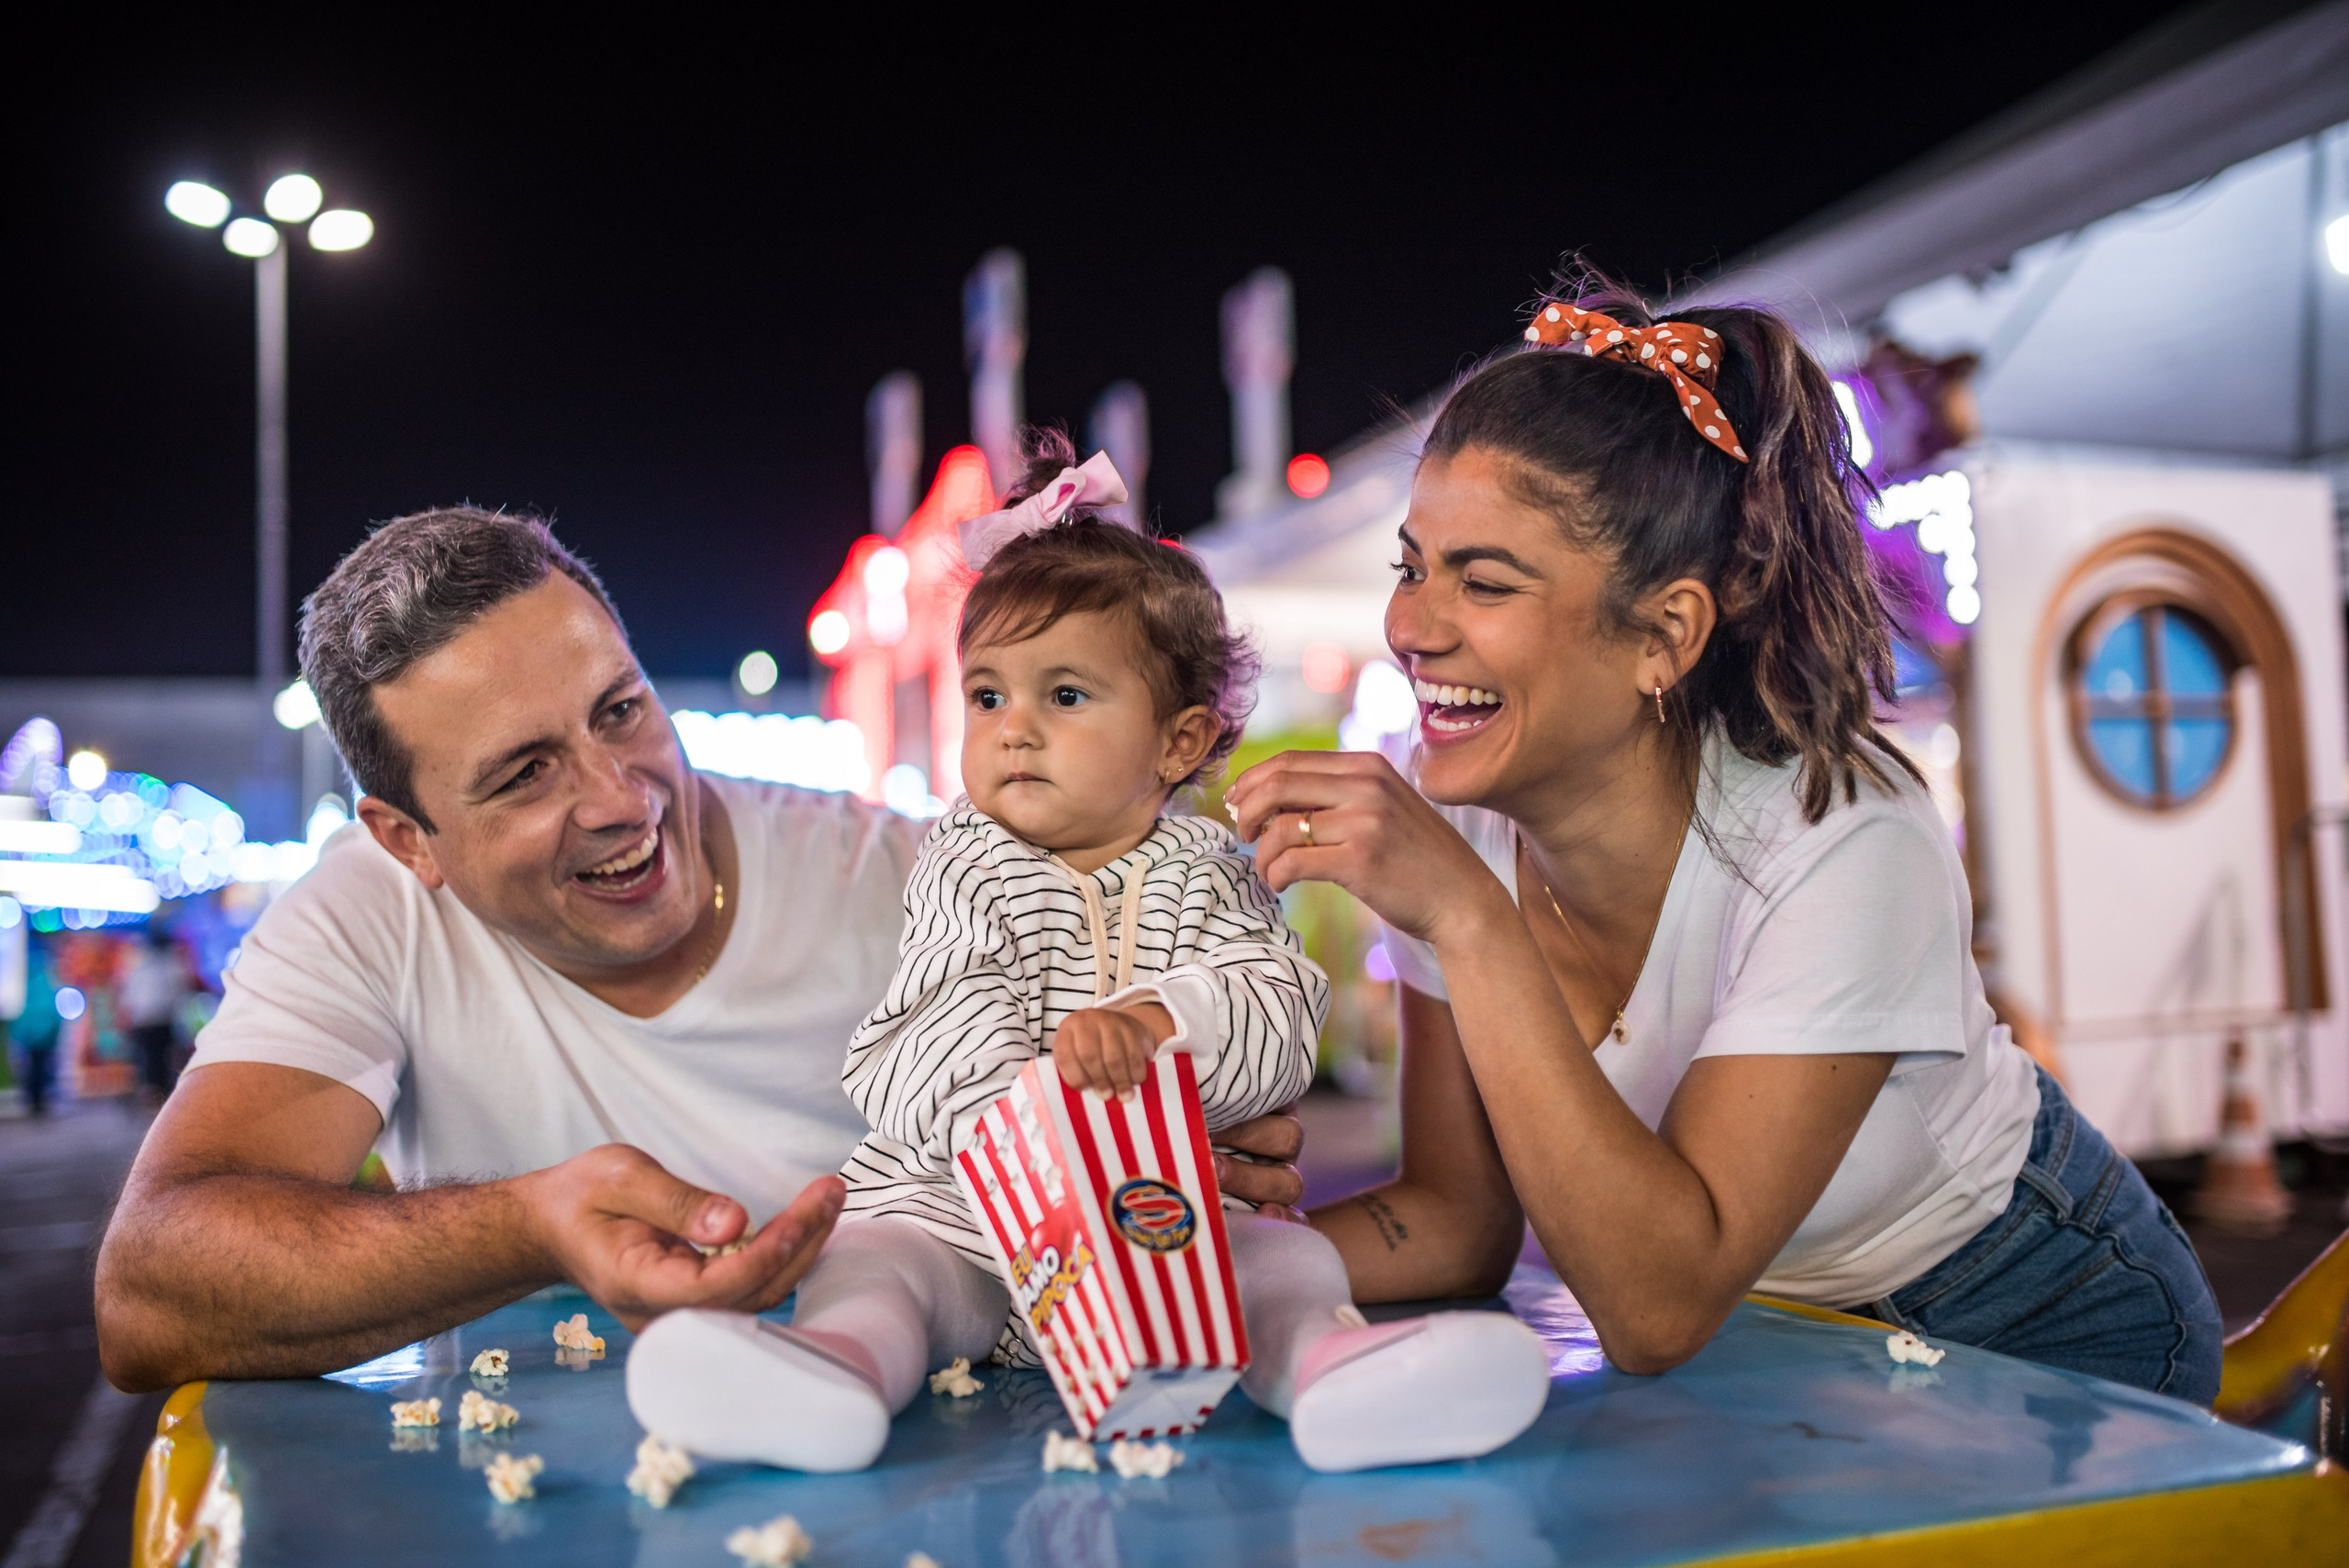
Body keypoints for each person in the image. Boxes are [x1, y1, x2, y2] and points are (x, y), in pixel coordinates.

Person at [1227, 284, 2224, 1404]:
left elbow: (1654, 1307)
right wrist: (1187, 1256)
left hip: (2033, 1316)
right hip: (1771, 1333)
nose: (1410, 627)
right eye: (1412, 566)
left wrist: (1467, 916)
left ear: (1664, 633)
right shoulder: (1456, 809)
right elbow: (1458, 1221)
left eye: (1484, 580)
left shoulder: (1842, 838)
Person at [94, 508, 1304, 1392]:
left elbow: (1171, 1082)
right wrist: (529, 1224)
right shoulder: (368, 913)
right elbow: (150, 1292)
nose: (622, 798)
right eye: (524, 774)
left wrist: (1175, 1124)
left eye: (621, 709)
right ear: (410, 837)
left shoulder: (906, 873)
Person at [628, 437, 1549, 1473]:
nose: (1013, 728)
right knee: (877, 1263)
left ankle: (1335, 1373)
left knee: (1282, 1259)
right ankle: (831, 1369)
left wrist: (1165, 1025)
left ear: (1177, 739)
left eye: (1063, 696)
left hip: (1168, 1226)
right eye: (987, 696)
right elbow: (943, 1019)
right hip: (966, 1215)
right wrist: (1049, 1120)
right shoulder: (962, 863)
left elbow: (1276, 1015)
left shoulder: (1215, 869)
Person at [120, 925, 188, 1098]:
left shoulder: (138, 966)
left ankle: (155, 1089)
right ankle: (158, 1090)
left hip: (147, 1019)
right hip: (159, 1018)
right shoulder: (169, 965)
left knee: (151, 1056)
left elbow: (129, 993)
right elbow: (179, 989)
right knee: (158, 1056)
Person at [11, 945, 63, 1118]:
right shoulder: (46, 981)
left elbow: (19, 1013)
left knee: (31, 1068)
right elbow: (52, 1010)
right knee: (41, 1067)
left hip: (30, 1036)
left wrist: (19, 1034)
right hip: (45, 1036)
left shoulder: (24, 984)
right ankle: (39, 1100)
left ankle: (33, 1100)